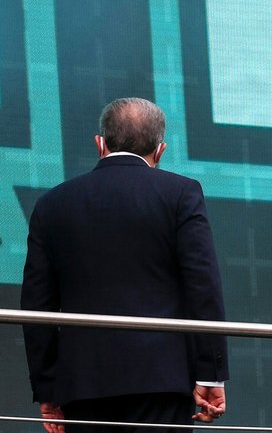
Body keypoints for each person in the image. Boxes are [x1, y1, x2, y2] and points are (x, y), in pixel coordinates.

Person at [21, 98, 228, 433]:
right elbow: (203, 287)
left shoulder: (52, 204)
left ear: (100, 144)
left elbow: (36, 305)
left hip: (83, 385)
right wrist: (210, 374)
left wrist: (48, 388)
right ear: (160, 150)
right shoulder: (181, 193)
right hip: (161, 381)